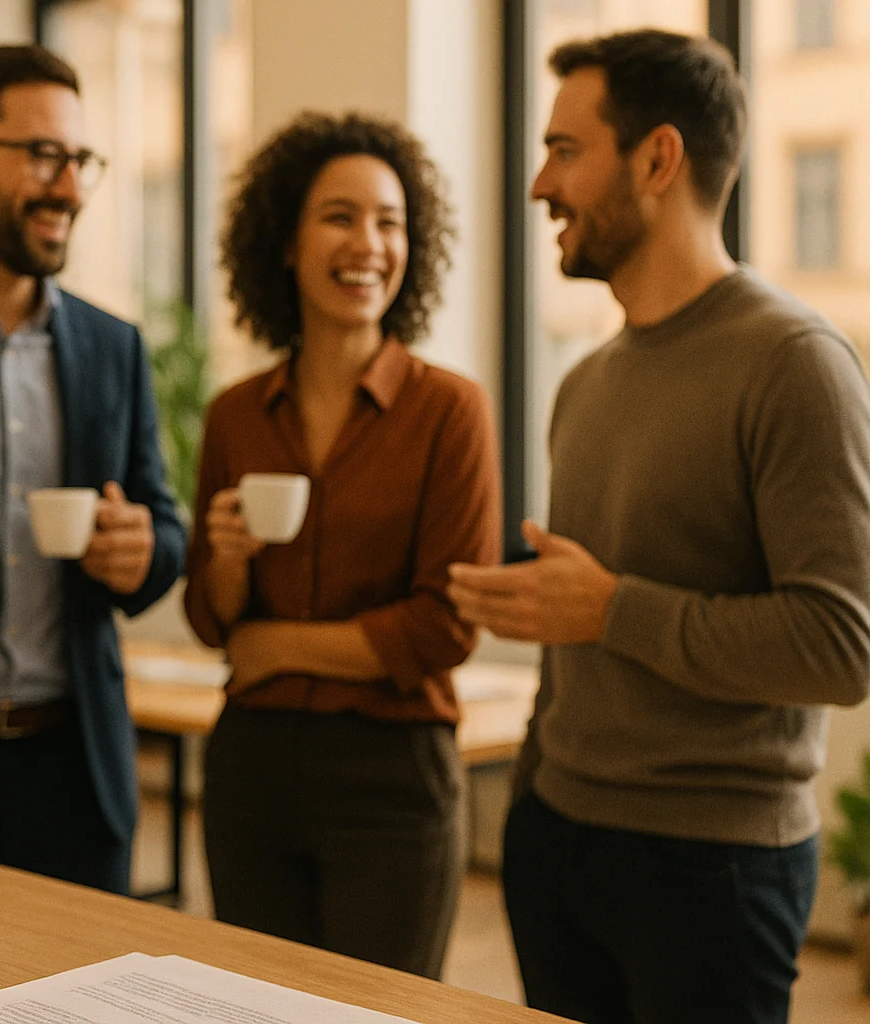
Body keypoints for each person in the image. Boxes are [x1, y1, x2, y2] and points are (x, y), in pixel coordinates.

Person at [446, 30, 870, 1024]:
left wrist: (608, 610)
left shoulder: (795, 361)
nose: (541, 183)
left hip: (713, 869)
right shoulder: (587, 380)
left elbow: (840, 647)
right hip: (556, 838)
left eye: (565, 149)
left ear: (658, 158)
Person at [181, 111, 501, 977]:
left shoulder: (451, 413)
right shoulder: (236, 415)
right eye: (339, 216)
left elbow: (444, 627)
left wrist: (278, 644)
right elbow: (214, 624)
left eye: (389, 221)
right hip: (250, 769)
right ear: (285, 242)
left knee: (379, 1011)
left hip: (392, 776)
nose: (369, 242)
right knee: (254, 1004)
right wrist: (231, 565)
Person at [0, 44, 186, 894]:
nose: (68, 186)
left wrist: (145, 552)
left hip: (82, 770)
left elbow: (164, 524)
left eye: (79, 159)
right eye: (42, 156)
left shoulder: (115, 348)